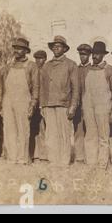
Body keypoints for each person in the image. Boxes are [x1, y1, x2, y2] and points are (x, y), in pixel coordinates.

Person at [39, 35, 79, 166]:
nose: (56, 48)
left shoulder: (71, 65)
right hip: (49, 105)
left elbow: (76, 88)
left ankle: (63, 161)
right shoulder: (46, 66)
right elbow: (42, 87)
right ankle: (53, 160)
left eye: (59, 46)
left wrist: (73, 106)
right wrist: (42, 106)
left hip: (64, 105)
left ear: (65, 49)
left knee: (64, 134)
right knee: (51, 135)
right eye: (54, 46)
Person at [1, 38, 39, 164]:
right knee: (9, 129)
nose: (16, 51)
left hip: (23, 100)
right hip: (8, 100)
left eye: (20, 48)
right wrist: (2, 104)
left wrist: (33, 104)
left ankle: (22, 158)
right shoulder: (8, 66)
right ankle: (12, 158)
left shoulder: (31, 66)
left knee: (23, 130)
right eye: (15, 48)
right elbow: (4, 85)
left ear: (25, 51)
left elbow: (36, 87)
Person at [82, 41, 112, 168]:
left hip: (103, 107)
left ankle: (102, 164)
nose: (94, 56)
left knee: (103, 136)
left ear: (103, 55)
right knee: (90, 135)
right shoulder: (87, 70)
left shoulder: (109, 70)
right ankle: (91, 163)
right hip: (89, 106)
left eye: (98, 54)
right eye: (93, 54)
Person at [74, 44, 92, 163]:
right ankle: (79, 157)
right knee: (78, 131)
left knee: (90, 131)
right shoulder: (76, 69)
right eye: (81, 54)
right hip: (77, 105)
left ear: (89, 55)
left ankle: (90, 156)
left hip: (90, 105)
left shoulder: (92, 69)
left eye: (85, 54)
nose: (82, 57)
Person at [31, 50, 48, 162]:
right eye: (36, 58)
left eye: (41, 58)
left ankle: (44, 155)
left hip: (43, 104)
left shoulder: (47, 71)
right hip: (33, 105)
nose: (38, 60)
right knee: (33, 130)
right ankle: (34, 154)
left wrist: (43, 104)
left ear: (45, 59)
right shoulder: (33, 70)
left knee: (44, 129)